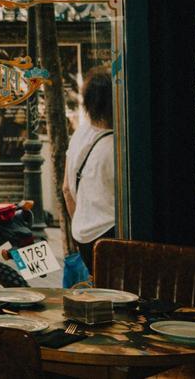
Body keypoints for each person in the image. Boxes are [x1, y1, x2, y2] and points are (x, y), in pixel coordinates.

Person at [62, 66, 115, 269]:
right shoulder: (118, 146)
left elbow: (67, 189)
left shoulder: (80, 134)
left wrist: (81, 227)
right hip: (111, 237)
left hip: (84, 237)